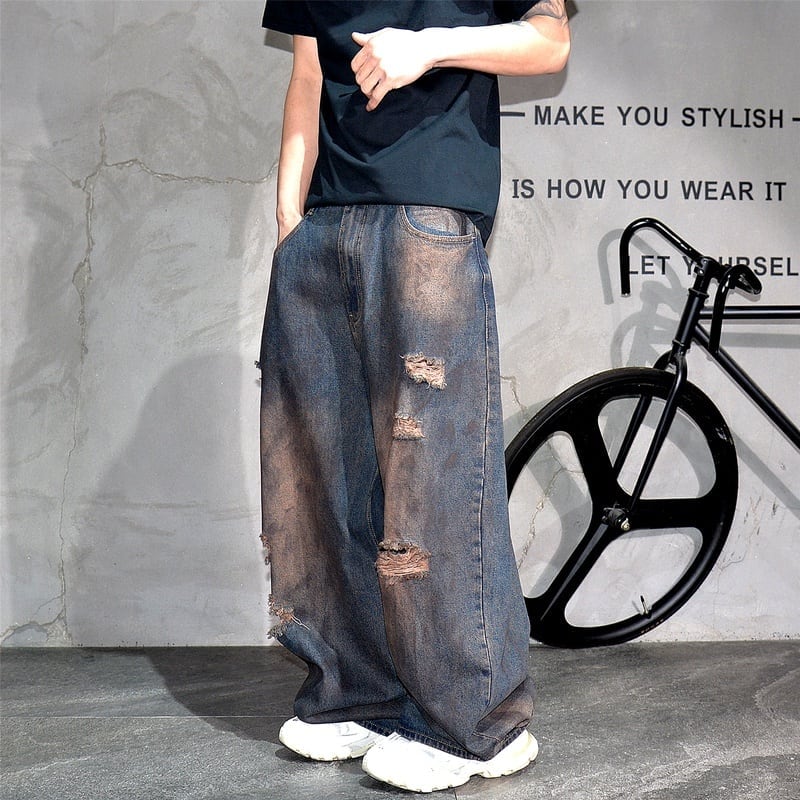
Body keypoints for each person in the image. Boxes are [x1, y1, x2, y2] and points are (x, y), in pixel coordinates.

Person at [258, 1, 570, 792]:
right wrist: (292, 223)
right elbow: (308, 72)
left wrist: (428, 48)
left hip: (428, 212)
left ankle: (477, 727)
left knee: (436, 485)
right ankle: (357, 695)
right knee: (321, 482)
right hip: (323, 223)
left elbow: (548, 42)